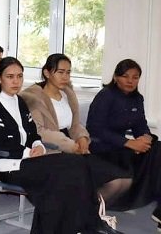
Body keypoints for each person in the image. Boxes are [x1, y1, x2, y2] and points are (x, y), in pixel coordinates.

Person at [0, 57, 122, 234]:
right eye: (10, 77)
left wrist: (38, 145)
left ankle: (87, 223)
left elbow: (33, 133)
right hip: (9, 166)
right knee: (63, 175)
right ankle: (89, 226)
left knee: (77, 164)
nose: (16, 81)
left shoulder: (20, 101)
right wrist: (28, 152)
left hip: (29, 160)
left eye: (19, 76)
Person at [20, 54, 131, 207]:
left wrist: (82, 138)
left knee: (124, 181)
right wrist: (71, 145)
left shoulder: (67, 94)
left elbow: (75, 124)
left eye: (68, 72)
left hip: (74, 146)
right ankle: (83, 211)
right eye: (60, 72)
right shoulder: (33, 97)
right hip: (52, 150)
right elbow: (39, 132)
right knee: (114, 183)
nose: (65, 77)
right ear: (47, 73)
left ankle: (86, 210)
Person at [87, 59, 161, 224]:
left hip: (122, 148)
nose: (130, 81)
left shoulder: (137, 99)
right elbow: (95, 128)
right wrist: (128, 143)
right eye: (125, 76)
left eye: (135, 77)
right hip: (102, 150)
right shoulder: (106, 96)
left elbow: (140, 126)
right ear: (115, 77)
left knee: (158, 148)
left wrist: (146, 138)